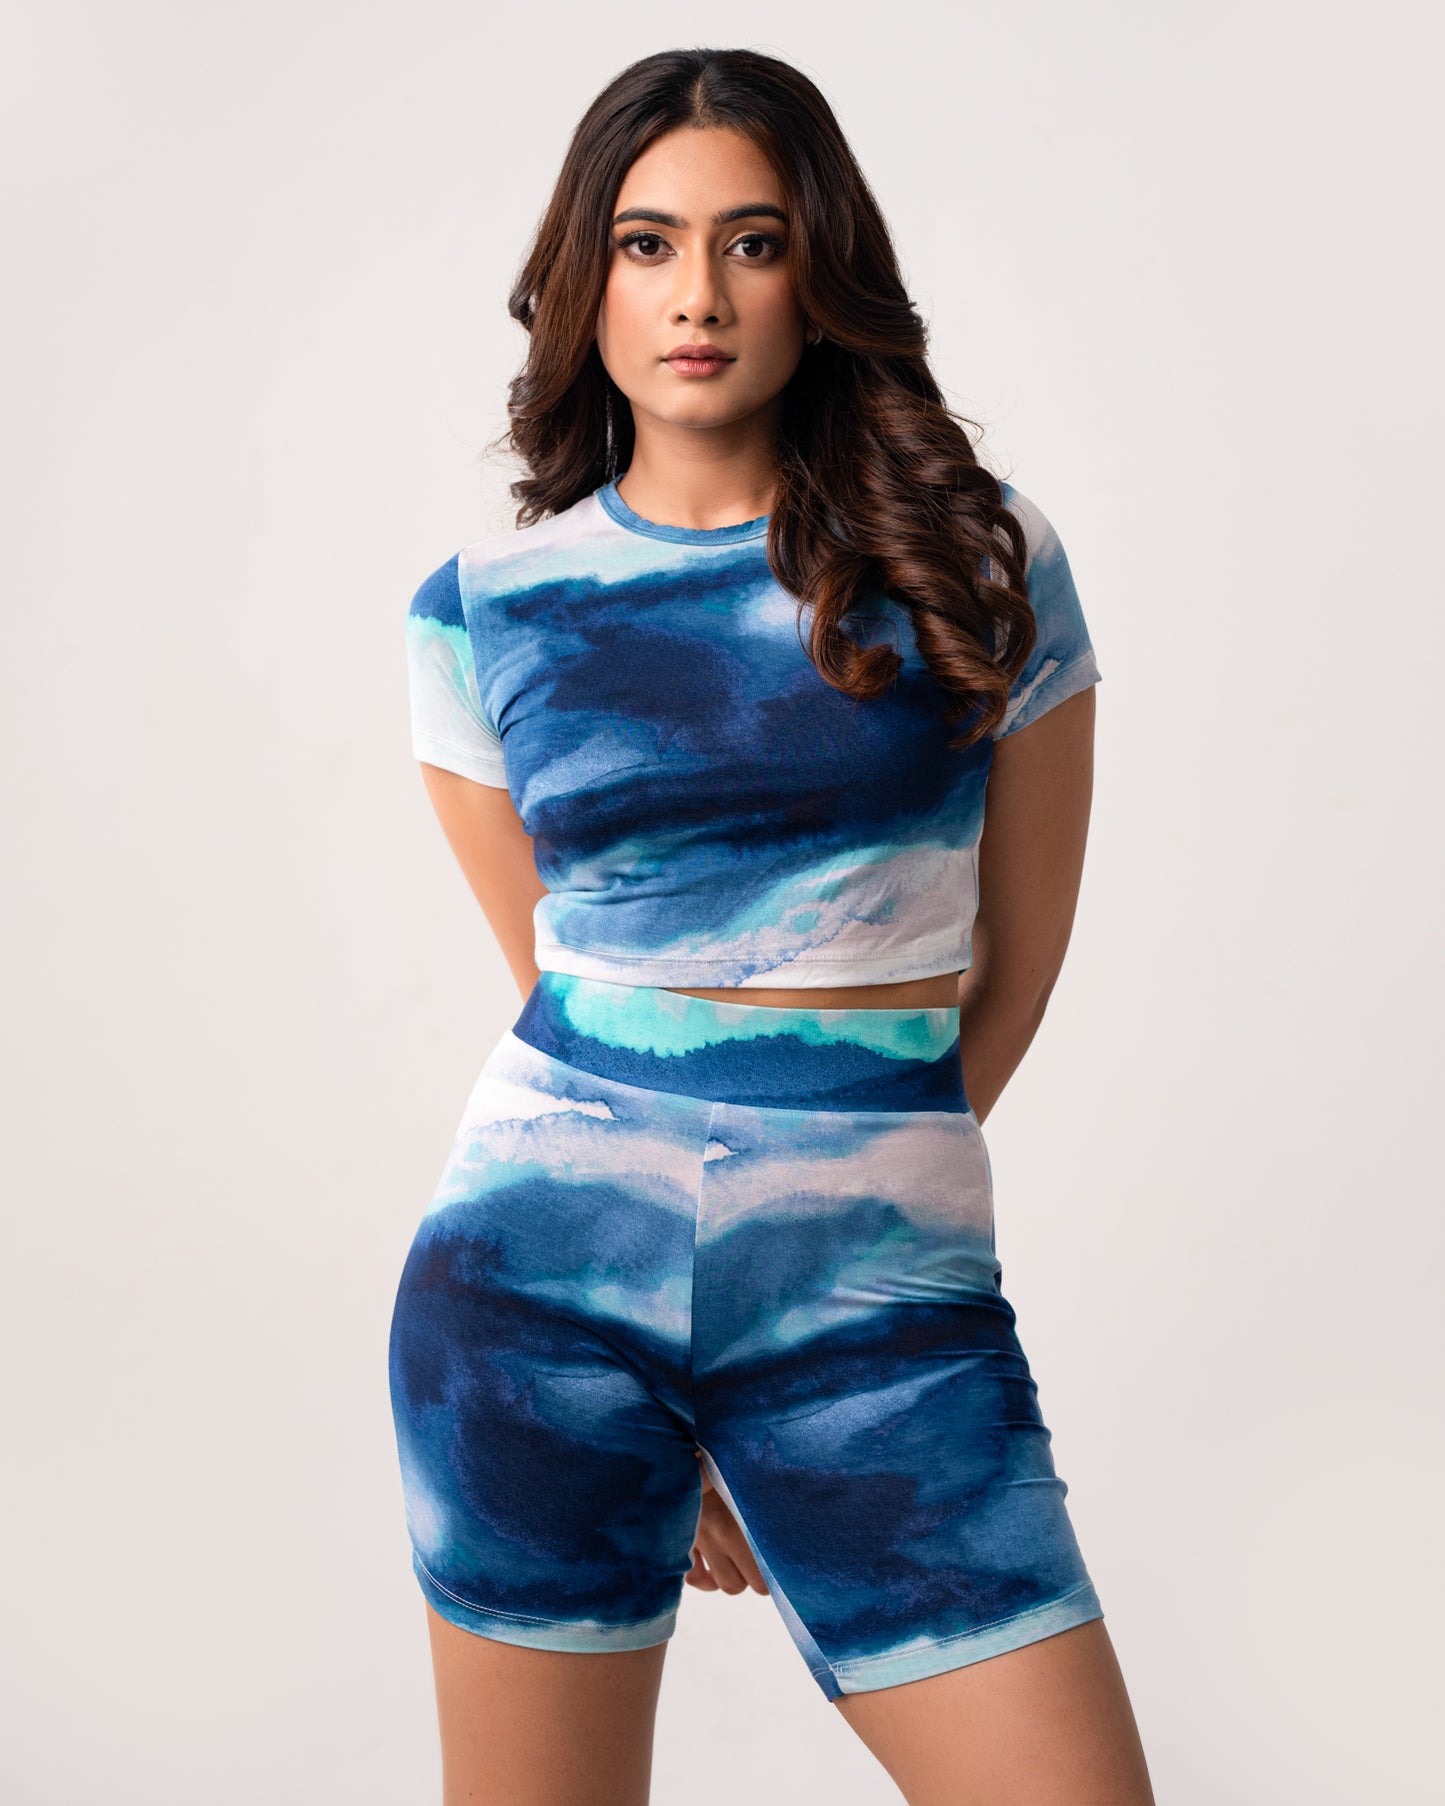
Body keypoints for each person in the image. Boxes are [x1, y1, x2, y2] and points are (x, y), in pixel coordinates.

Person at [388, 45, 1156, 1806]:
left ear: (820, 272)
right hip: (537, 1295)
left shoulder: (981, 563)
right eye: (646, 244)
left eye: (751, 241)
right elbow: (567, 988)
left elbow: (1015, 961)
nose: (699, 296)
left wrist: (809, 1231)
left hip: (879, 1298)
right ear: (583, 282)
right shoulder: (479, 613)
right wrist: (678, 1366)